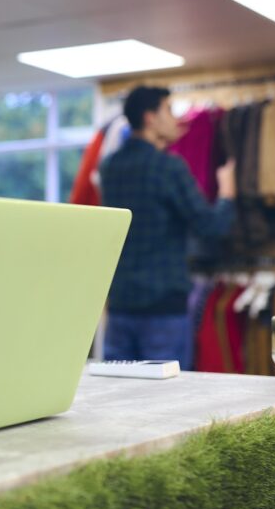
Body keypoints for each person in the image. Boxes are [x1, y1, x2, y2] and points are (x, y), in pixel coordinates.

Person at [99, 85, 236, 369]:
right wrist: (227, 193)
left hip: (120, 302)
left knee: (117, 397)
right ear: (150, 118)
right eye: (169, 111)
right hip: (163, 305)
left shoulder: (110, 166)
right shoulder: (168, 167)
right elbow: (211, 226)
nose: (175, 119)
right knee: (166, 400)